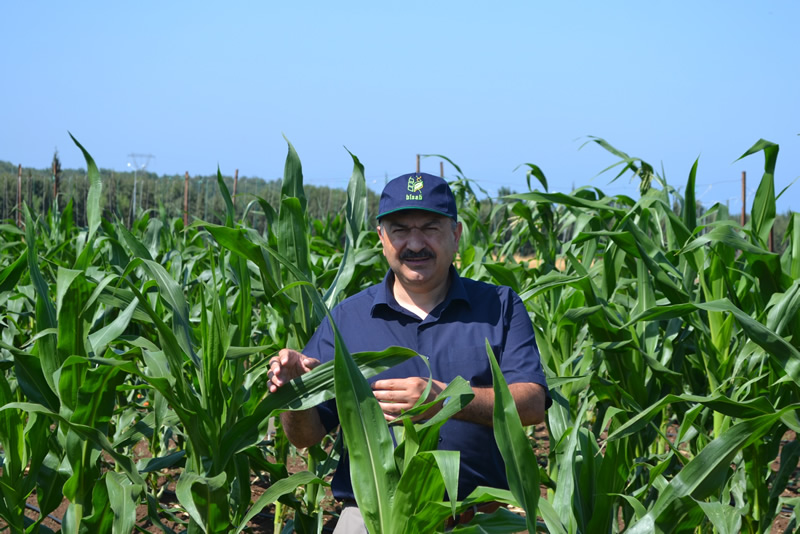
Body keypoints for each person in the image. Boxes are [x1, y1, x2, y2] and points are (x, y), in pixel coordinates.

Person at [267, 172, 550, 532]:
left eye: (430, 228)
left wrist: (446, 400)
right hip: (371, 518)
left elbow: (531, 403)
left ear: (456, 234)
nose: (415, 243)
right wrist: (294, 393)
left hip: (477, 518)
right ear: (381, 238)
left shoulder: (499, 306)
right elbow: (304, 435)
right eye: (400, 230)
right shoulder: (348, 318)